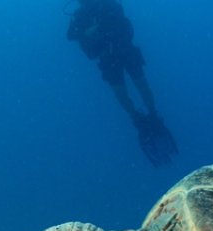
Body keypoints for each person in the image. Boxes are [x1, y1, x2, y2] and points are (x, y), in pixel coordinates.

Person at [67, 0, 178, 166]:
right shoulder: (79, 15)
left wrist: (96, 28)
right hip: (107, 57)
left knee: (140, 84)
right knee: (120, 92)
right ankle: (137, 118)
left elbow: (120, 19)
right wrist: (87, 32)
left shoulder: (108, 5)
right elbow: (70, 35)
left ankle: (153, 114)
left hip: (125, 50)